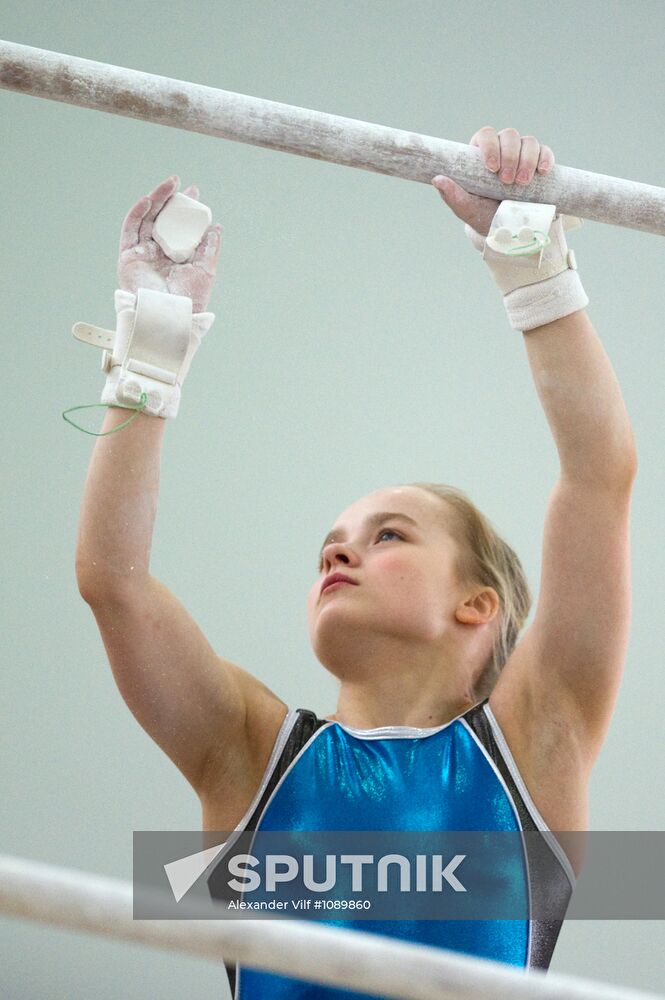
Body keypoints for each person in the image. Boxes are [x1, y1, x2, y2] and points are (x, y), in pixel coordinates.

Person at [75, 126, 637, 999]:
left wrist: (534, 273)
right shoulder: (248, 754)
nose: (339, 548)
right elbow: (114, 584)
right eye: (333, 542)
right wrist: (151, 355)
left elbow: (598, 479)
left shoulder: (535, 743)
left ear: (476, 605)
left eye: (389, 535)